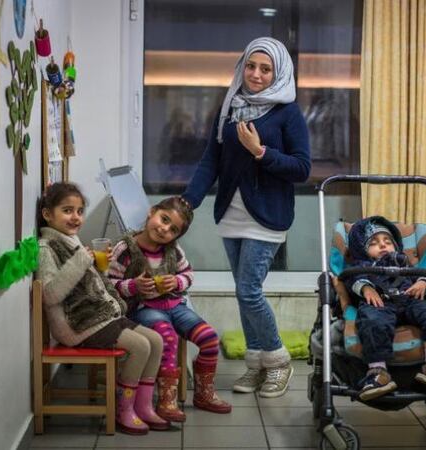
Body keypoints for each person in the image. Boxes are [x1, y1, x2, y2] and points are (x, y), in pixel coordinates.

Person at [180, 36, 311, 398]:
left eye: (265, 69)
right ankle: (257, 363)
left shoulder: (287, 112)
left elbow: (302, 168)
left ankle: (279, 360)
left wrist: (261, 152)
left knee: (248, 290)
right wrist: (188, 201)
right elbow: (211, 159)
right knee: (244, 293)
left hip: (267, 216)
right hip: (231, 214)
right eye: (251, 66)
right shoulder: (230, 107)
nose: (256, 74)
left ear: (278, 73)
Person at [36, 182, 168, 435]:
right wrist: (81, 261)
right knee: (141, 346)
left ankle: (143, 406)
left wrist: (100, 268)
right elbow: (50, 295)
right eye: (67, 210)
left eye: (79, 211)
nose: (75, 217)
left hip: (99, 315)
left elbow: (86, 284)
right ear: (47, 214)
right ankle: (123, 409)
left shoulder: (70, 240)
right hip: (77, 325)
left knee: (156, 340)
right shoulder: (46, 248)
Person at [108, 197, 232, 422]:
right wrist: (133, 286)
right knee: (168, 336)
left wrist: (176, 282)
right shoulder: (125, 249)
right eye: (164, 219)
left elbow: (188, 275)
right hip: (143, 308)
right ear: (152, 212)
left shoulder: (173, 250)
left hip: (175, 306)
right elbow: (109, 284)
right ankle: (167, 399)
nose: (165, 229)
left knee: (210, 339)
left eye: (173, 229)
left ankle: (204, 394)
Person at [344, 216, 426, 401]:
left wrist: (422, 282)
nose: (382, 245)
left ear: (396, 246)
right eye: (374, 243)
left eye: (388, 241)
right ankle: (378, 372)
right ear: (363, 250)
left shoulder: (403, 261)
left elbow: (424, 276)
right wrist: (366, 288)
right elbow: (352, 279)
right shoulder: (362, 265)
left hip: (410, 299)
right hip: (379, 303)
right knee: (372, 322)